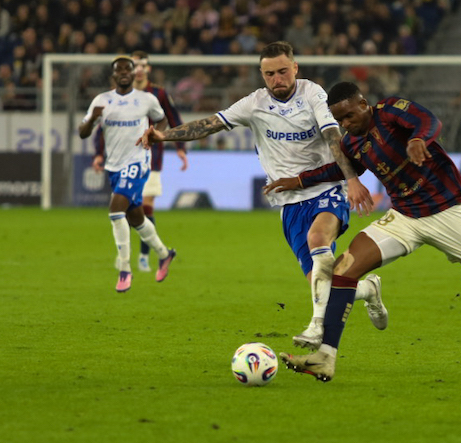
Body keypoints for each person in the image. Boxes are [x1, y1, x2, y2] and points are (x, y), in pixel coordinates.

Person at [266, 81, 461, 382]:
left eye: (349, 116)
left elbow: (428, 121)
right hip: (405, 217)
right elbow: (340, 169)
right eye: (340, 120)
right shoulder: (353, 143)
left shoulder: (390, 111)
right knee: (342, 271)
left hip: (446, 211)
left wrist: (417, 139)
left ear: (363, 104)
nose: (346, 124)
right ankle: (325, 357)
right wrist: (299, 180)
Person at [137, 41, 387, 348]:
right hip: (289, 203)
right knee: (324, 285)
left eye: (283, 71)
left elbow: (332, 134)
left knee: (318, 238)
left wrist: (350, 178)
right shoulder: (253, 103)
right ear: (262, 74)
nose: (277, 79)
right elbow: (210, 124)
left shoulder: (313, 94)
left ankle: (316, 326)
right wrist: (164, 135)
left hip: (325, 188)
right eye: (269, 74)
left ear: (295, 68)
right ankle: (368, 290)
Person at [79, 56, 178, 293]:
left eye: (128, 69)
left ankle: (124, 269)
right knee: (136, 218)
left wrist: (154, 135)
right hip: (114, 166)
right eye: (119, 69)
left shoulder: (146, 99)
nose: (124, 72)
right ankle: (164, 254)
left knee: (116, 210)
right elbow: (83, 132)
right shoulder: (101, 100)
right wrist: (92, 118)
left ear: (133, 74)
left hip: (138, 161)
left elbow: (162, 119)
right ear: (113, 75)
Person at [93, 50, 189, 273]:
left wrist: (180, 148)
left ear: (148, 68)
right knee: (128, 209)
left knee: (145, 205)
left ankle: (143, 257)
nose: (137, 69)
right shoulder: (116, 96)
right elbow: (103, 126)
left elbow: (172, 118)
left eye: (142, 65)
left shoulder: (157, 93)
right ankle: (150, 253)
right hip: (119, 160)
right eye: (134, 65)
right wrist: (98, 153)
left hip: (149, 159)